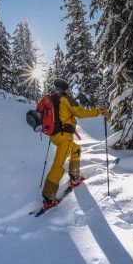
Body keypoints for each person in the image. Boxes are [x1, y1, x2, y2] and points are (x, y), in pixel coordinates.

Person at [42, 78, 110, 209]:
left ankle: (74, 177)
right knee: (58, 165)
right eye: (68, 88)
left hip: (54, 137)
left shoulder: (52, 98)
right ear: (65, 89)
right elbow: (81, 113)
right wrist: (99, 111)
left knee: (76, 149)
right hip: (64, 137)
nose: (69, 90)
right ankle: (48, 199)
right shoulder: (66, 99)